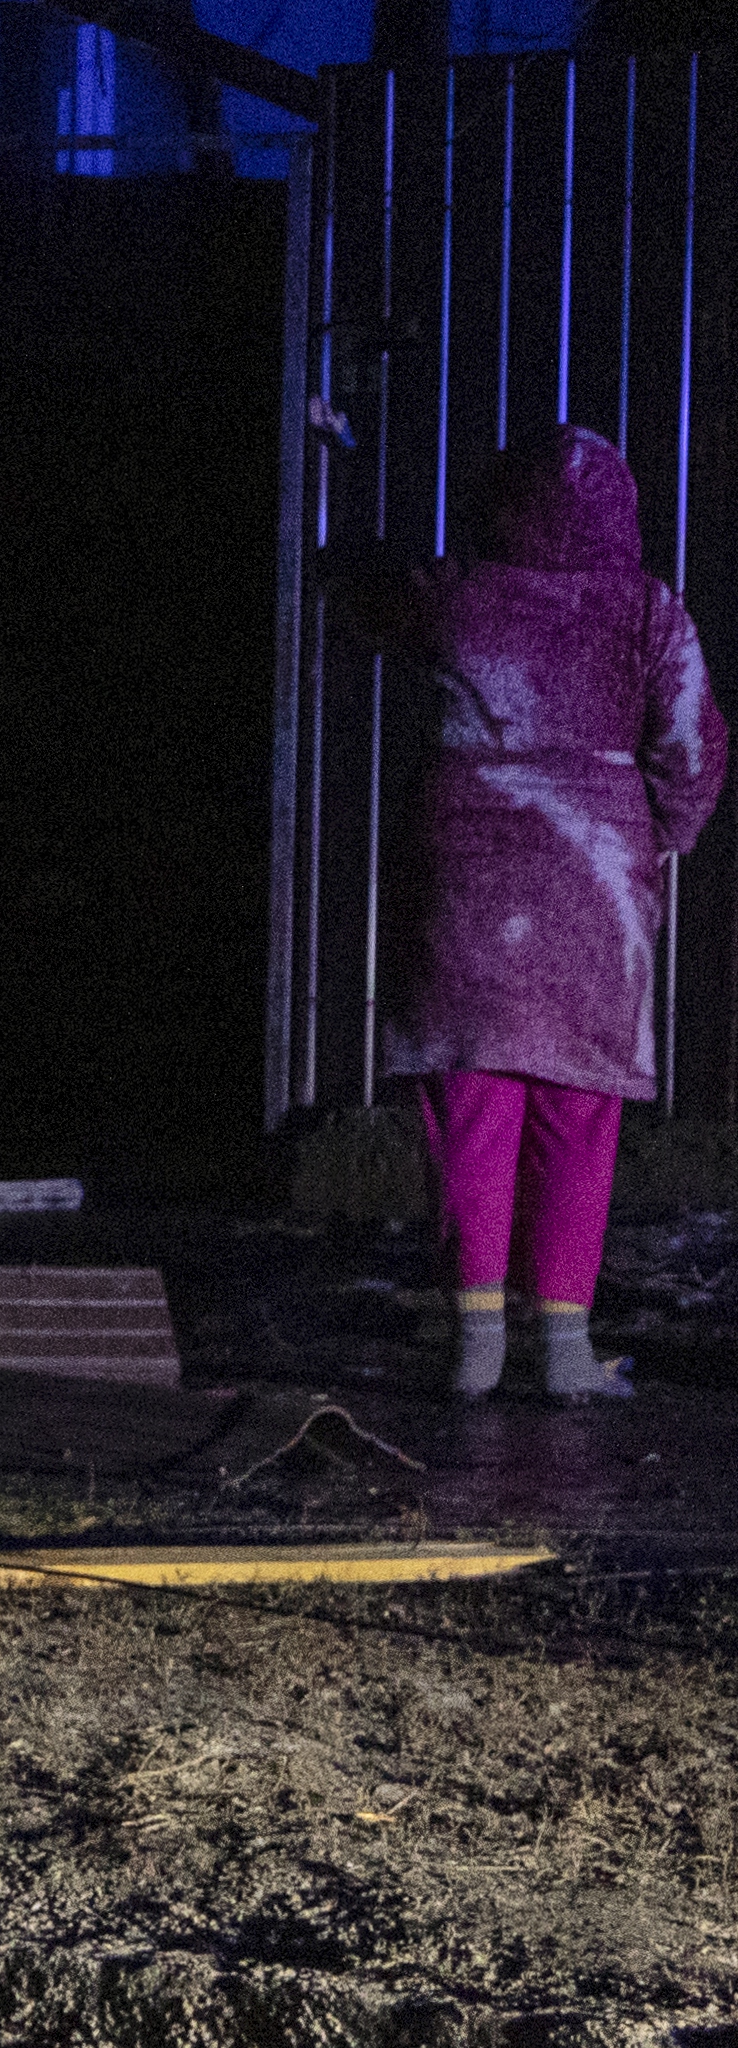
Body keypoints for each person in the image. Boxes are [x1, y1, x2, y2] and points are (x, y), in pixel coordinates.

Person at [347, 423, 725, 1399]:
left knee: (469, 1109)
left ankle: (471, 1345)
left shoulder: (457, 593)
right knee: (575, 1113)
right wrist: (668, 834)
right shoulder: (647, 611)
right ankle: (562, 1351)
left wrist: (340, 459)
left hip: (464, 868)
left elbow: (351, 588)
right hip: (593, 882)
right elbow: (688, 748)